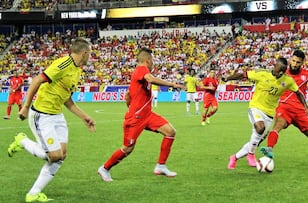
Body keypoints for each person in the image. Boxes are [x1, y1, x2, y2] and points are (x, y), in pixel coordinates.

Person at [8, 37, 96, 202]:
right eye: (90, 53)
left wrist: (85, 117)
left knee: (61, 155)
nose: (90, 56)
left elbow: (67, 99)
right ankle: (23, 141)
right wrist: (26, 106)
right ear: (84, 53)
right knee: (54, 156)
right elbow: (37, 80)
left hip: (57, 115)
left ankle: (33, 194)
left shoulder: (77, 70)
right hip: (42, 115)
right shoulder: (63, 64)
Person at [97, 48, 185, 181]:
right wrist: (172, 84)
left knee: (170, 132)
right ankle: (104, 168)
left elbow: (128, 96)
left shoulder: (140, 74)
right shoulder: (142, 69)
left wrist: (132, 104)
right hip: (136, 117)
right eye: (152, 61)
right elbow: (150, 79)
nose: (153, 64)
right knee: (127, 148)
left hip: (147, 115)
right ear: (147, 60)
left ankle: (160, 166)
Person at [225, 57, 308, 169]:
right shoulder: (262, 74)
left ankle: (234, 157)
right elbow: (243, 75)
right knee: (260, 128)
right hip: (256, 108)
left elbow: (298, 93)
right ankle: (251, 155)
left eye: (283, 71)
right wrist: (227, 78)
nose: (281, 73)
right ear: (274, 67)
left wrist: (306, 107)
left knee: (256, 141)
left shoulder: (287, 80)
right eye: (279, 70)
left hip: (269, 114)